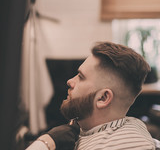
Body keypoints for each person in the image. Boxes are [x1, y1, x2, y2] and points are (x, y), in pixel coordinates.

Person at [26, 41, 157, 150]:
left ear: (103, 98)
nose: (70, 81)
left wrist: (45, 143)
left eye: (81, 77)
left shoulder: (125, 145)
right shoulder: (134, 123)